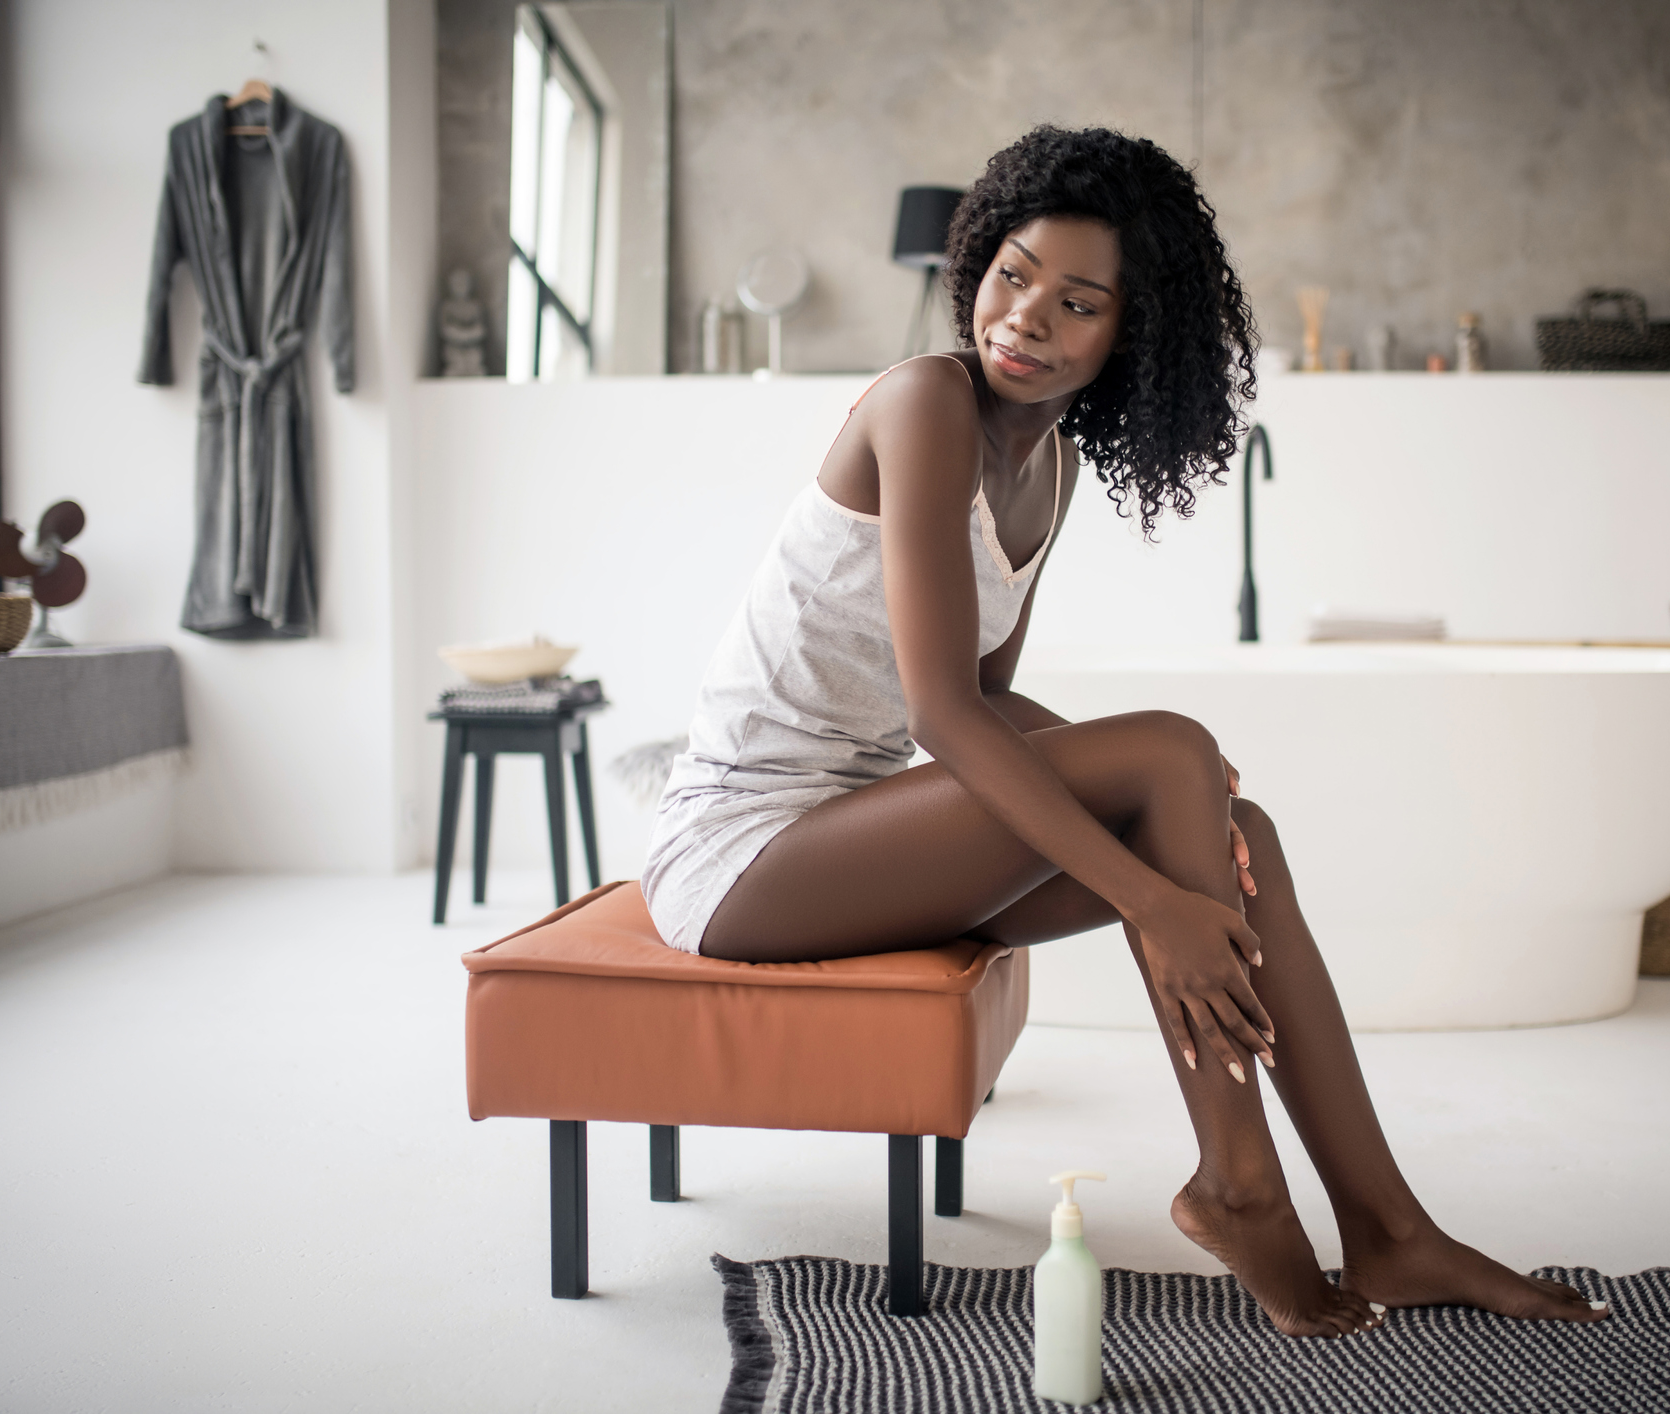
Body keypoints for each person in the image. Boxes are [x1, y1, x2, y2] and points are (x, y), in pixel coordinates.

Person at [644, 125, 1609, 1338]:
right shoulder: (923, 404)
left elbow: (988, 704)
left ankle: (1389, 1230)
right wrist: (1153, 885)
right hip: (747, 852)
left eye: (1078, 301)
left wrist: (1185, 803)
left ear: (1128, 335)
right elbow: (944, 711)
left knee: (1228, 815)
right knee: (1170, 754)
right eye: (1012, 275)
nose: (1026, 317)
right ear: (975, 269)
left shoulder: (1048, 470)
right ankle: (1242, 1186)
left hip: (860, 833)